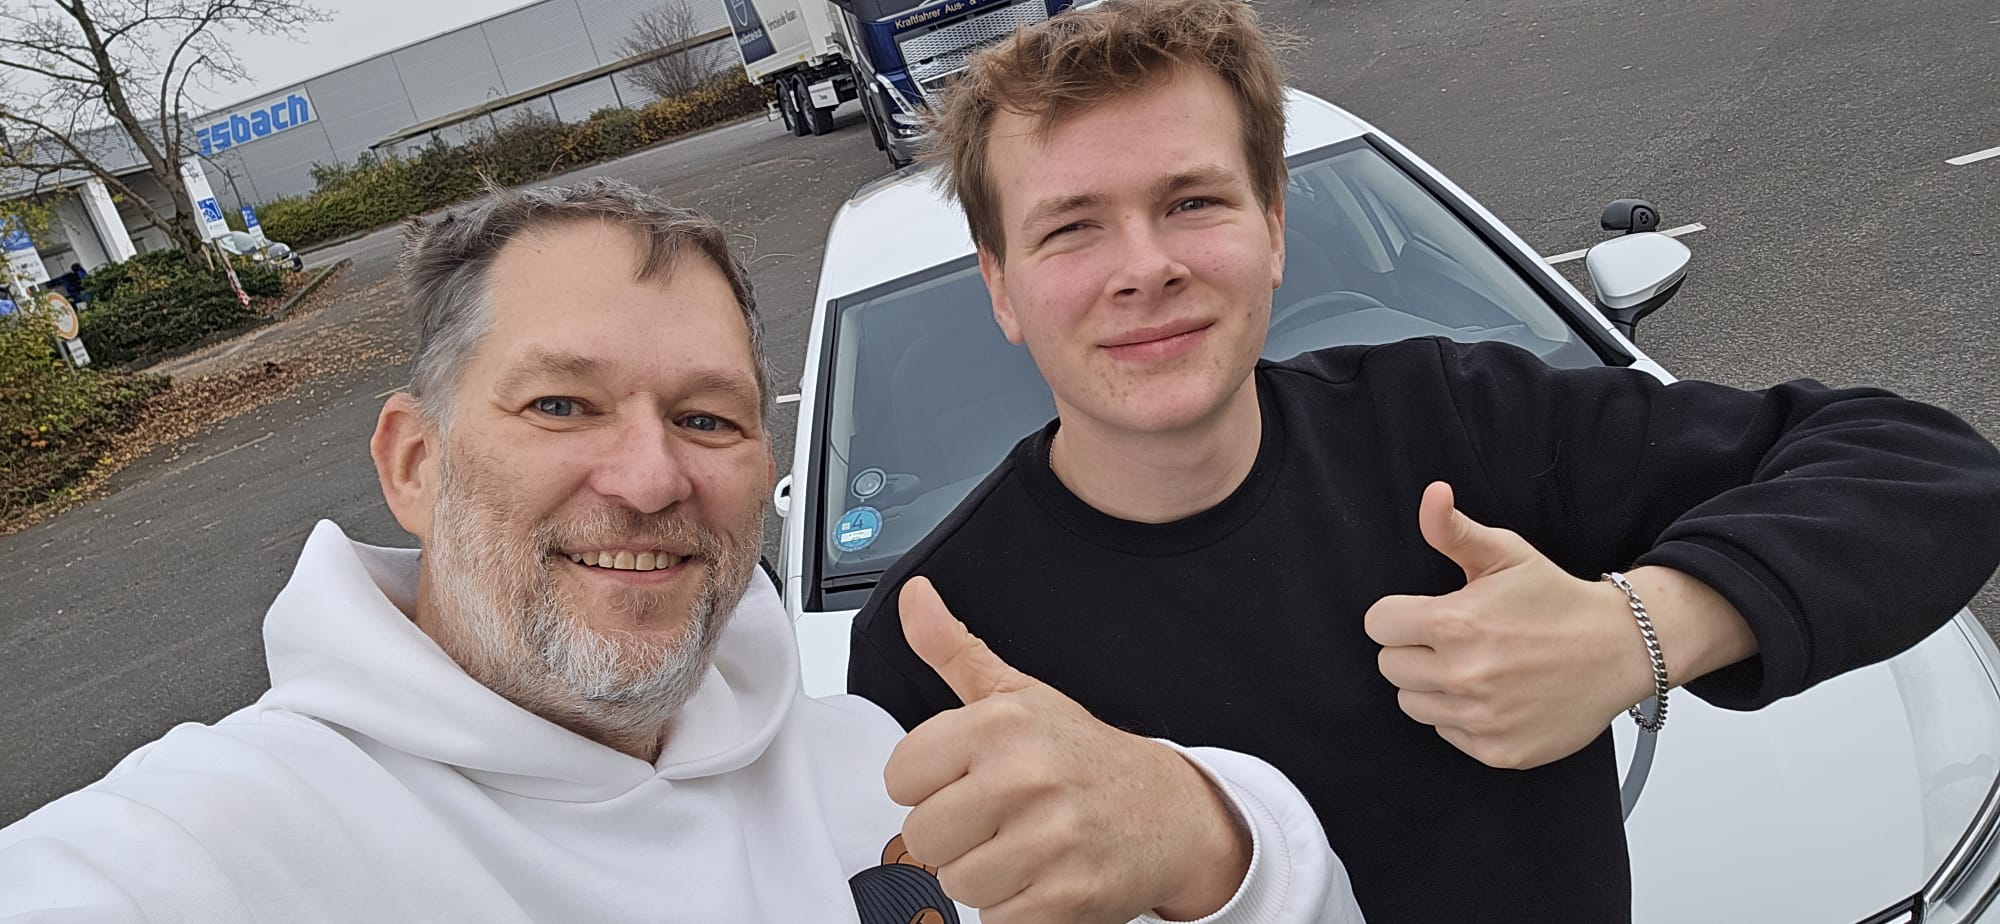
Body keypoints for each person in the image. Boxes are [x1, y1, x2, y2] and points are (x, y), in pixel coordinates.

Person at [842, 1, 2000, 922]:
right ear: (999, 285)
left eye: (1191, 201)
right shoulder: (930, 642)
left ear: (1273, 227)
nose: (1144, 266)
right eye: (1070, 226)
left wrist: (1638, 631)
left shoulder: (1457, 421)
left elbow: (1925, 470)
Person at [0, 180, 1363, 924]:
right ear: (414, 463)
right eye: (561, 406)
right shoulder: (217, 847)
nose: (651, 478)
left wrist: (1208, 834)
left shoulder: (868, 768)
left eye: (707, 418)